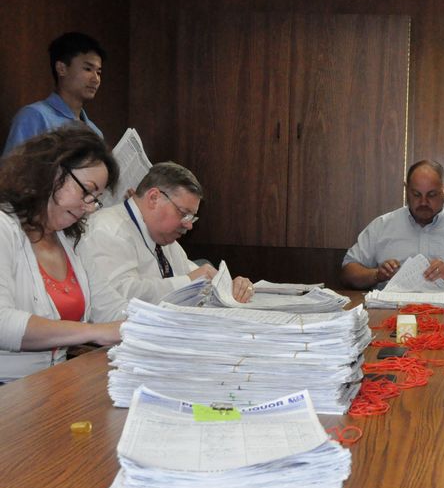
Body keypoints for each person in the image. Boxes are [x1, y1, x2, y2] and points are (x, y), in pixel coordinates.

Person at [0, 126, 127, 381]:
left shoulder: (71, 240)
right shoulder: (4, 227)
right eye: (86, 191)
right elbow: (3, 323)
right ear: (52, 172)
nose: (90, 208)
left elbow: (111, 309)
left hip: (54, 383)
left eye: (96, 198)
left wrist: (164, 323)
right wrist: (92, 332)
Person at [77, 162, 254, 304]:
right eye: (183, 213)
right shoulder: (107, 229)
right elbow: (119, 296)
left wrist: (231, 285)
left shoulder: (165, 239)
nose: (189, 225)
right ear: (154, 198)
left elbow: (200, 274)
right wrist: (189, 281)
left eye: (191, 217)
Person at [341, 159, 444, 293]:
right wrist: (377, 275)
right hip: (391, 315)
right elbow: (348, 271)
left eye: (431, 195)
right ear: (406, 191)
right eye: (416, 194)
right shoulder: (382, 226)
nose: (423, 202)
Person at [3, 33, 106, 156]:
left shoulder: (95, 133)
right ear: (61, 68)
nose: (96, 79)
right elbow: (12, 172)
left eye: (98, 72)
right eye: (88, 69)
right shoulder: (34, 117)